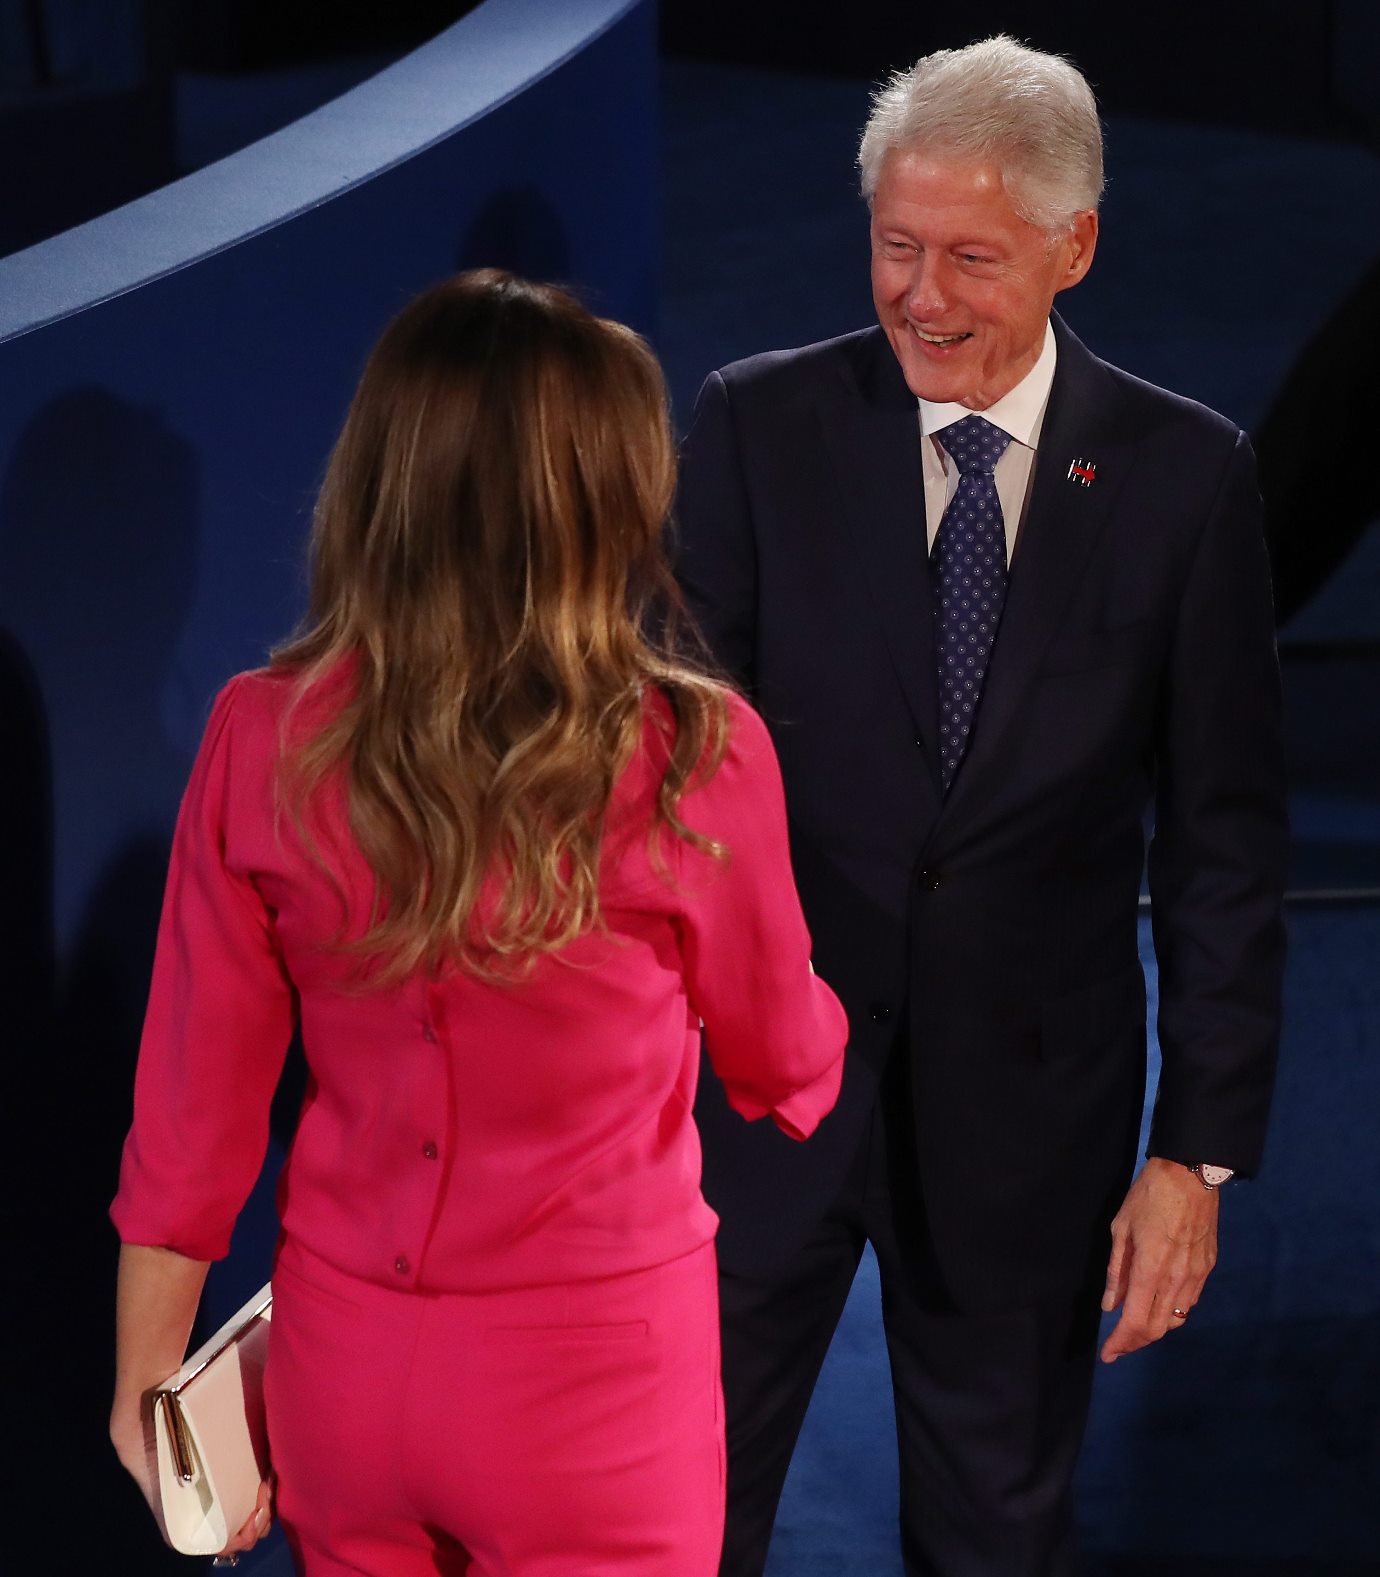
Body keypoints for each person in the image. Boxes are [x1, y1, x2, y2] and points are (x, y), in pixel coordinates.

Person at [108, 269, 848, 1576]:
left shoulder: (259, 735)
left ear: (381, 484)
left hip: (345, 1379)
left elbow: (190, 1116)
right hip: (593, 1397)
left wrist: (146, 1383)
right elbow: (784, 1067)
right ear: (600, 498)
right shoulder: (693, 754)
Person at [676, 35, 1287, 1577]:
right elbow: (665, 781)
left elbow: (1223, 843)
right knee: (671, 1523)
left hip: (1028, 1127)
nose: (923, 297)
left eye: (971, 258)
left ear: (1076, 247)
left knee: (994, 1543)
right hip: (755, 1101)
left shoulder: (1184, 477)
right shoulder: (758, 427)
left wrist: (1193, 1154)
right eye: (897, 246)